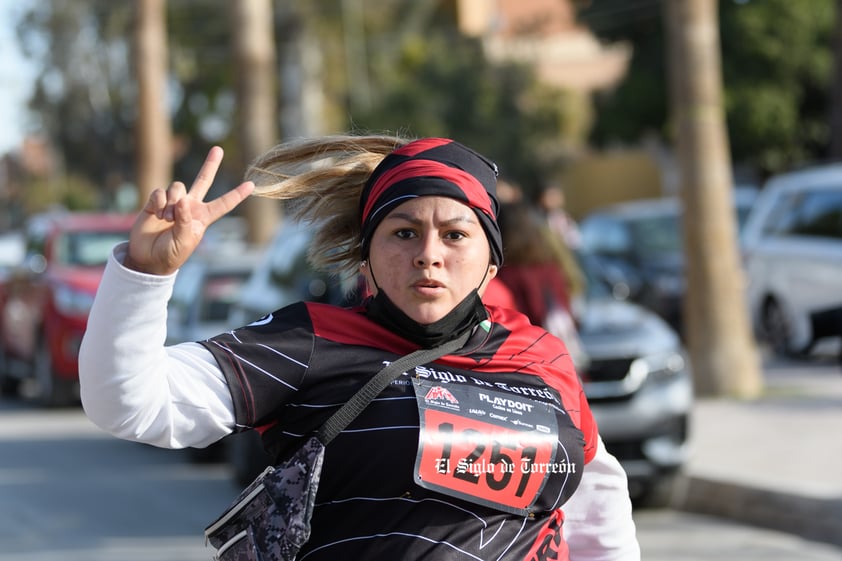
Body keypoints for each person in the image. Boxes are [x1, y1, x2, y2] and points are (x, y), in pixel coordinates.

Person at [79, 135, 640, 561]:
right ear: (365, 255)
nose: (428, 254)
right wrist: (144, 275)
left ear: (491, 259)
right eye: (403, 232)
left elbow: (596, 498)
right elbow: (129, 403)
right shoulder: (309, 342)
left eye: (455, 234)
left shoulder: (538, 354)